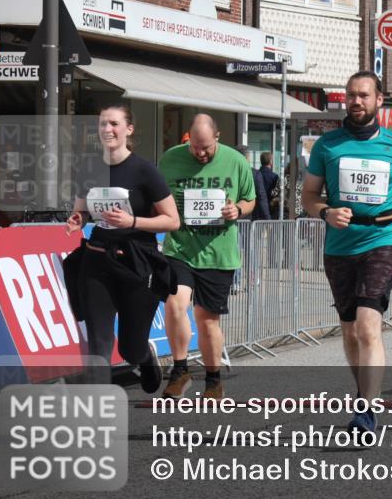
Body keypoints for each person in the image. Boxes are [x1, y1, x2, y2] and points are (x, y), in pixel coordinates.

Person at [301, 71, 392, 435]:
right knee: (350, 331)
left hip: (382, 238)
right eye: (351, 95)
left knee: (369, 326)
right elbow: (308, 196)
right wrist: (326, 212)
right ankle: (363, 393)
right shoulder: (327, 145)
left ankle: (366, 412)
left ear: (379, 100)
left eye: (364, 95)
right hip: (340, 245)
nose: (356, 101)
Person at [64, 104, 180, 392]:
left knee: (130, 348)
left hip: (136, 264)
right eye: (103, 124)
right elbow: (82, 211)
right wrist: (78, 219)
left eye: (114, 124)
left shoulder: (144, 171)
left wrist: (133, 221)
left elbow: (172, 220)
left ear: (128, 130)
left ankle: (145, 357)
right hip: (97, 261)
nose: (107, 129)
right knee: (99, 345)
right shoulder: (88, 168)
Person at [159, 114, 257, 400]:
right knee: (175, 304)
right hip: (180, 247)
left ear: (217, 138)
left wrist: (237, 210)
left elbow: (250, 199)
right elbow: (156, 195)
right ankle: (180, 371)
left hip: (218, 252)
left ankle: (213, 381)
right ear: (188, 139)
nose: (200, 154)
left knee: (207, 320)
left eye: (206, 148)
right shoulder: (170, 159)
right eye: (195, 148)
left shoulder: (236, 161)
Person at [258, 152, 280, 218]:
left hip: (257, 208)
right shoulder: (274, 176)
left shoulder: (256, 174)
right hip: (270, 208)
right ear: (270, 161)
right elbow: (276, 193)